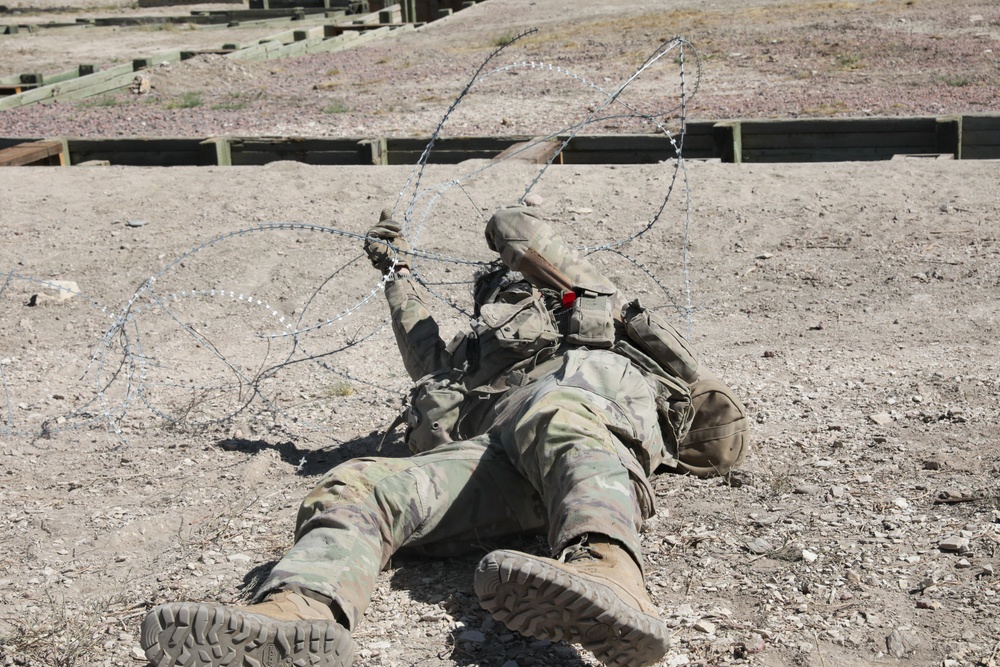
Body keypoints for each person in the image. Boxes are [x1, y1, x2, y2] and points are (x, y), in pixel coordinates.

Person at [140, 205, 750, 667]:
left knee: (552, 413)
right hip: (509, 466)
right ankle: (299, 612)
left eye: (509, 292)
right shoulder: (469, 366)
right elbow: (419, 341)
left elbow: (520, 232)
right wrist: (395, 269)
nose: (498, 307)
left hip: (589, 435)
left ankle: (610, 569)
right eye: (490, 300)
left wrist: (506, 243)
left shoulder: (586, 309)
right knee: (360, 481)